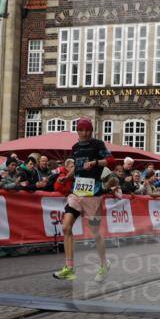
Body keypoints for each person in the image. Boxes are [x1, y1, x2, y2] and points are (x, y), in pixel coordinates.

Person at [53, 118, 115, 282]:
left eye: (87, 130)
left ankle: (104, 264)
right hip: (77, 194)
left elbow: (112, 162)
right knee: (66, 227)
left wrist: (94, 163)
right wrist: (66, 178)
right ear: (77, 131)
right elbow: (77, 167)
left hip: (93, 196)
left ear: (91, 131)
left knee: (95, 233)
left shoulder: (98, 144)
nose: (85, 133)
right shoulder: (75, 148)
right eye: (81, 130)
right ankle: (69, 268)